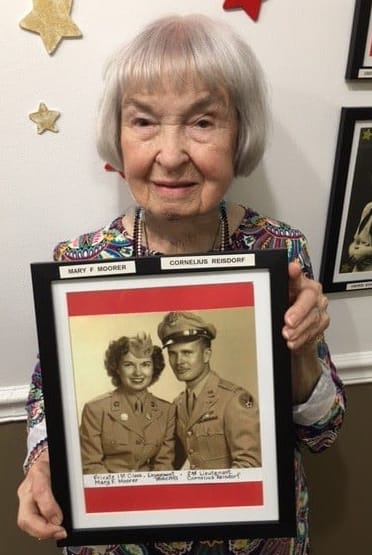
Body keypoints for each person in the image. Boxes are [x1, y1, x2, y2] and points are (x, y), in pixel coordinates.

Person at [17, 13, 346, 555]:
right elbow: (47, 397)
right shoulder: (78, 261)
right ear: (118, 136)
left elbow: (323, 434)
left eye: (202, 122)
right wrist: (41, 462)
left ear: (239, 132)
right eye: (144, 122)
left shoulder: (279, 251)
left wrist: (303, 349)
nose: (170, 156)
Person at [157, 311, 261, 470]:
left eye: (187, 353)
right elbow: (168, 462)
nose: (179, 361)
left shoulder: (233, 400)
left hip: (227, 494)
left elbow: (249, 465)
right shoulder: (178, 405)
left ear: (206, 355)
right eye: (173, 354)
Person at [80, 332, 175, 474]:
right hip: (109, 490)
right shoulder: (96, 409)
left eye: (145, 364)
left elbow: (164, 465)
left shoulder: (166, 411)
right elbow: (91, 466)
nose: (138, 372)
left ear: (154, 368)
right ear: (117, 368)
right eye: (129, 364)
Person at [348, 200, 372, 272]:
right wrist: (352, 251)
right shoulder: (369, 207)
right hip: (358, 268)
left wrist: (365, 252)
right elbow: (356, 239)